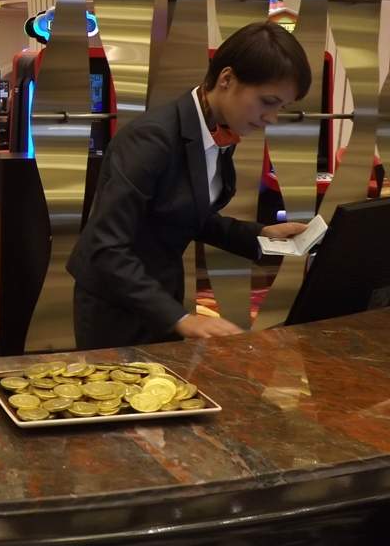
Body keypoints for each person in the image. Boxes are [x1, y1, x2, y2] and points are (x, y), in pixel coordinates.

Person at [67, 21, 313, 350]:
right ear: (226, 79)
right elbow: (104, 247)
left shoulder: (217, 128)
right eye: (268, 101)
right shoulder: (151, 139)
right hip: (115, 305)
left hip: (161, 293)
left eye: (281, 107)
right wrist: (181, 318)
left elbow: (186, 213)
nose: (272, 118)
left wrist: (261, 235)